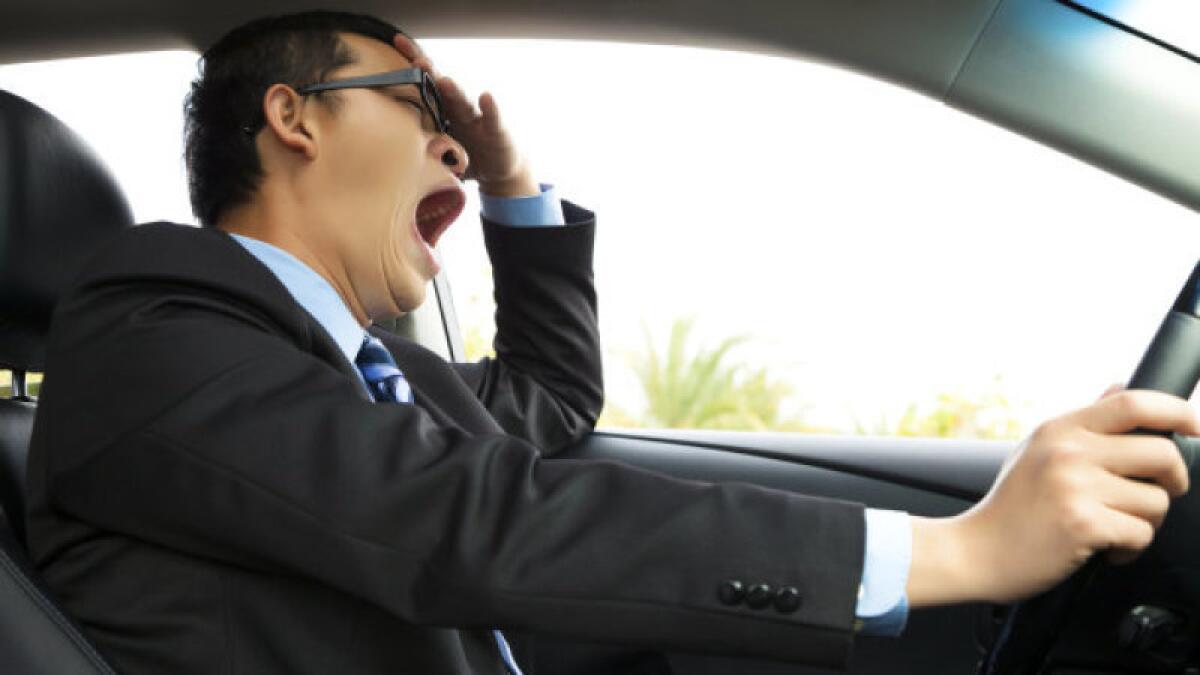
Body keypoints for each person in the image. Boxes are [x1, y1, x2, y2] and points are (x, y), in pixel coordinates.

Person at [23, 9, 1194, 675]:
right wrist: (956, 553)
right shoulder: (151, 329)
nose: (454, 145)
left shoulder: (389, 380)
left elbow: (548, 397)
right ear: (292, 119)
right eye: (420, 103)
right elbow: (465, 514)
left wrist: (515, 191)